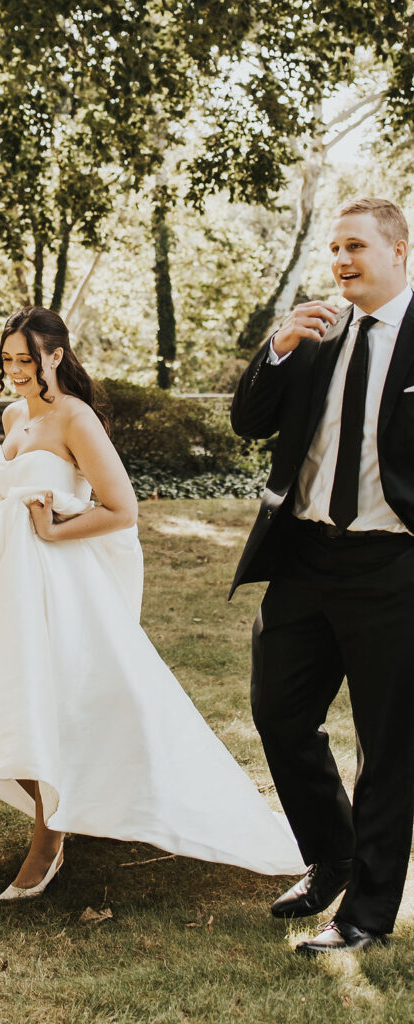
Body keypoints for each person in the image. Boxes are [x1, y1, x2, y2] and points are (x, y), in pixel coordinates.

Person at [0, 305, 303, 901]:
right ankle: (63, 809)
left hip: (54, 586)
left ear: (55, 355)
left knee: (61, 703)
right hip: (0, 584)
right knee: (3, 700)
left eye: (26, 359)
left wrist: (52, 532)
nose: (15, 371)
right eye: (6, 360)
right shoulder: (12, 415)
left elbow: (121, 509)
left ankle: (48, 838)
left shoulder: (76, 419)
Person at [230, 197, 414, 954]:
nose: (340, 261)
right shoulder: (312, 334)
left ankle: (366, 916)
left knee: (386, 747)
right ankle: (330, 853)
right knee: (277, 714)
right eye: (334, 248)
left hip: (393, 568)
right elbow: (249, 422)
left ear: (399, 251)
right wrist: (275, 348)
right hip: (304, 559)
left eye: (355, 247)